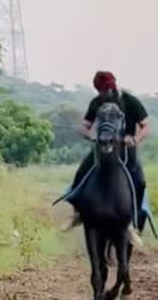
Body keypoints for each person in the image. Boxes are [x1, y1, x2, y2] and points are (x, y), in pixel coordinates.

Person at [63, 70, 151, 245]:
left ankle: (133, 223)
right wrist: (91, 135)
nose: (105, 93)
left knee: (140, 181)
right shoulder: (97, 102)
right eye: (101, 91)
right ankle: (78, 213)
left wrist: (135, 139)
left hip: (126, 151)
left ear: (114, 85)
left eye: (107, 89)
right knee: (81, 171)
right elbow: (85, 126)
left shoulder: (130, 101)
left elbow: (145, 126)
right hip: (102, 148)